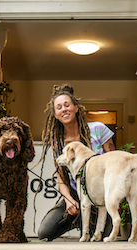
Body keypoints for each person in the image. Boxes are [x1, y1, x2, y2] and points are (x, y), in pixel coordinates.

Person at [37, 84, 115, 241]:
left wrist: (112, 196)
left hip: (100, 195)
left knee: (100, 238)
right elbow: (61, 179)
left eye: (67, 105)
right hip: (75, 193)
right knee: (44, 232)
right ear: (55, 114)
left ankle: (86, 221)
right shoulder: (58, 143)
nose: (64, 109)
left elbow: (114, 163)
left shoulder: (98, 129)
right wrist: (68, 201)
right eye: (59, 107)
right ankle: (76, 218)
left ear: (76, 108)